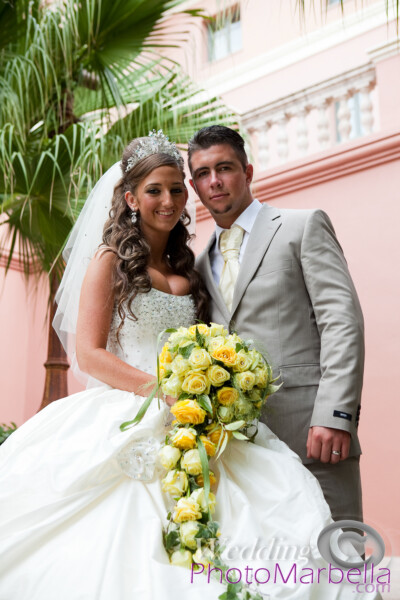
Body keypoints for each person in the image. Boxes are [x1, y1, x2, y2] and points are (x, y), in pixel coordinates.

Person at [0, 132, 370, 600]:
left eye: (176, 189)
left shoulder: (191, 265)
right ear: (130, 198)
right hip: (138, 408)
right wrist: (165, 393)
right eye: (155, 190)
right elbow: (90, 354)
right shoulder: (109, 261)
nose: (169, 200)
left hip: (213, 418)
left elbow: (338, 320)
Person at [189, 125, 364, 524]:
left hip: (313, 435)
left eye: (224, 168)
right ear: (195, 186)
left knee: (337, 553)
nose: (214, 181)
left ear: (247, 172)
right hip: (240, 449)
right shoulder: (198, 265)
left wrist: (335, 414)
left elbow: (342, 322)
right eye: (202, 173)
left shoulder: (302, 227)